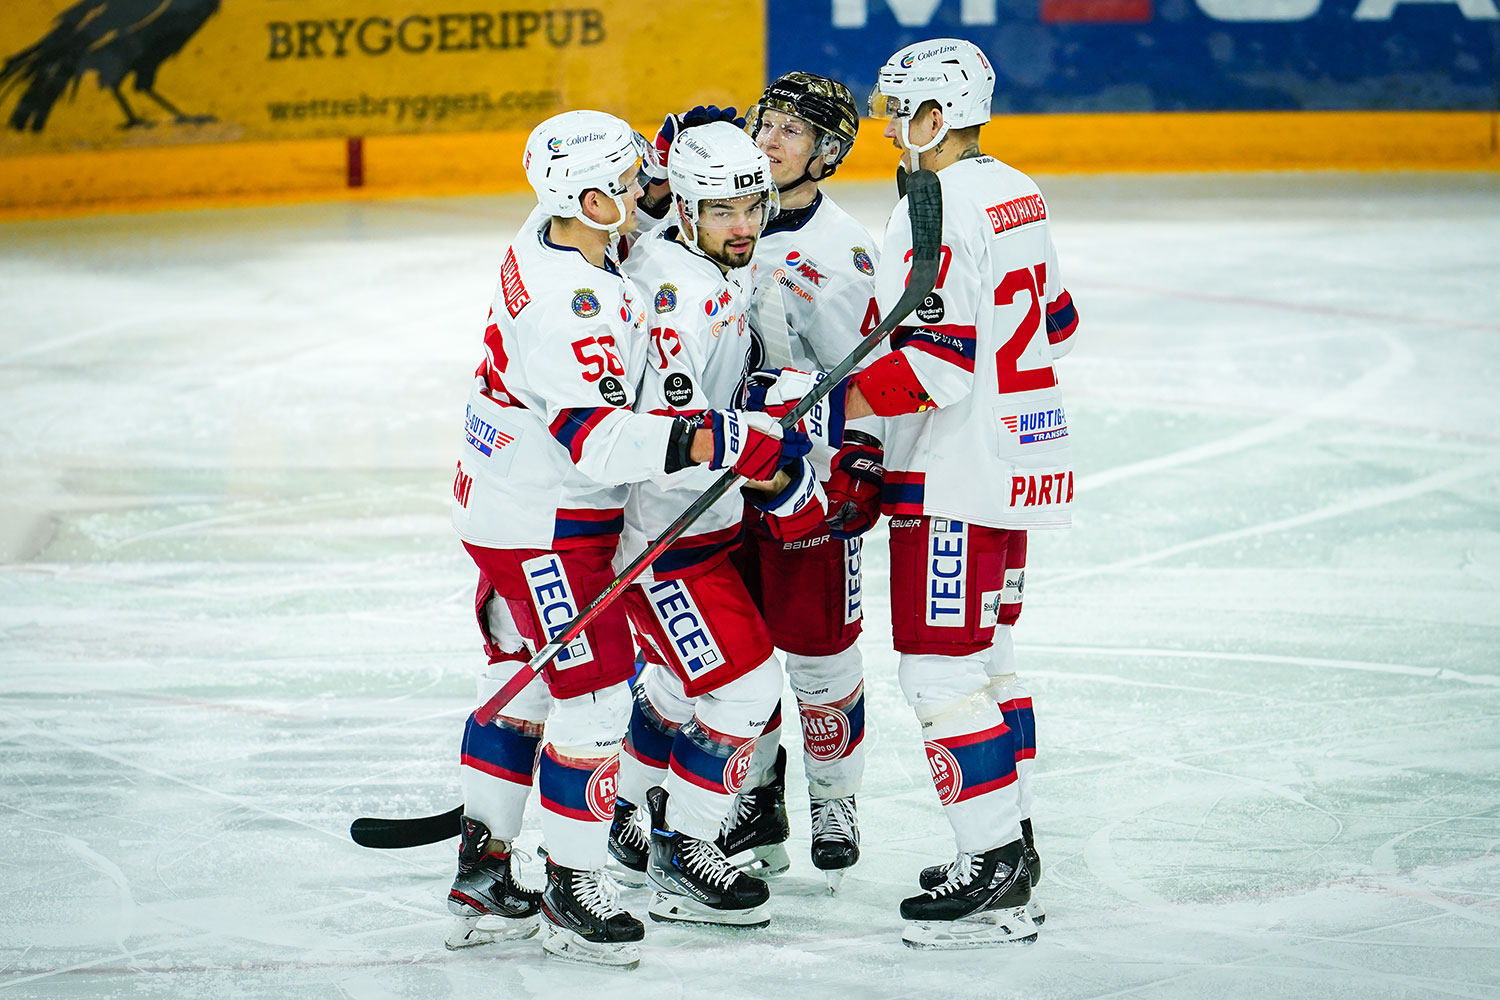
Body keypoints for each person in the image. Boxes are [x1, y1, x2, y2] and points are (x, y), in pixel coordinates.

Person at [446, 109, 812, 967]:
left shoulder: (550, 233)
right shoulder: (585, 304)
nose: (634, 195)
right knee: (599, 693)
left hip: (505, 499)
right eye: (618, 186)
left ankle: (487, 869)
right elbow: (603, 441)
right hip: (547, 523)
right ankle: (572, 890)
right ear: (577, 194)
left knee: (524, 685)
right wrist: (732, 441)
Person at [832, 36, 1078, 948]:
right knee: (988, 665)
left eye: (904, 111)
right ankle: (1009, 842)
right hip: (1022, 464)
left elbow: (933, 369)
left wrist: (828, 408)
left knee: (941, 670)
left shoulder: (928, 206)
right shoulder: (1021, 187)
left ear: (937, 114)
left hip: (953, 476)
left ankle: (997, 870)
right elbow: (1060, 319)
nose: (893, 128)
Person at [608, 121, 824, 929]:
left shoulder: (700, 263)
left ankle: (626, 822)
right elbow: (674, 443)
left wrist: (762, 393)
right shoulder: (679, 299)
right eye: (723, 211)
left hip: (701, 534)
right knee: (745, 688)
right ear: (689, 209)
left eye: (752, 206)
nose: (743, 225)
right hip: (664, 544)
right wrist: (772, 457)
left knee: (672, 684)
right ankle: (683, 848)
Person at [717, 72, 887, 893]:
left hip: (804, 491)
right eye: (766, 122)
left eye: (791, 130)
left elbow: (873, 373)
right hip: (716, 483)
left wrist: (861, 453)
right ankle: (756, 799)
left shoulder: (845, 254)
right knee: (734, 659)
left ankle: (833, 801)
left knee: (819, 657)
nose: (769, 140)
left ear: (827, 153)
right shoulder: (711, 220)